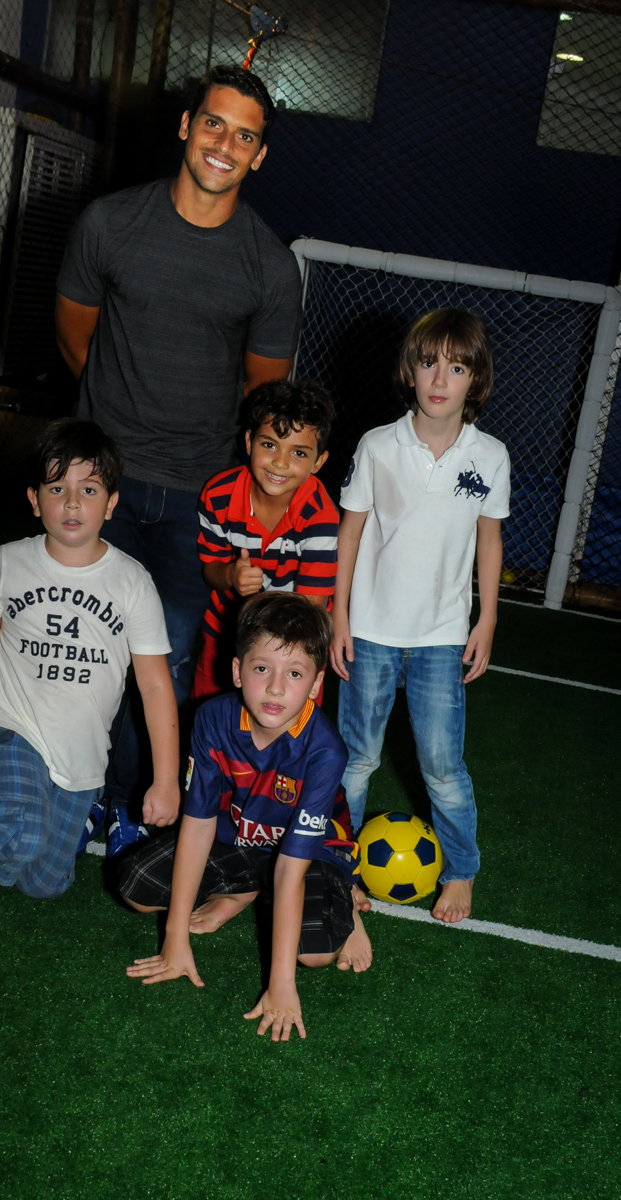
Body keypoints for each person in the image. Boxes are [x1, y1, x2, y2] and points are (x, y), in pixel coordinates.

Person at [55, 64, 303, 851]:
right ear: (186, 125)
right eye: (214, 124)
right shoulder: (109, 223)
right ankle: (69, 790)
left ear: (259, 156)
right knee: (78, 644)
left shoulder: (267, 264)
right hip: (106, 487)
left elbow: (263, 397)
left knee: (160, 652)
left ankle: (128, 801)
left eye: (245, 135)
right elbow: (75, 338)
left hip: (200, 500)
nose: (225, 144)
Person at [0, 419, 179, 916]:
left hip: (81, 756)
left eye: (88, 490)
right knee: (18, 827)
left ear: (110, 504)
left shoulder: (132, 582)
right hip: (10, 724)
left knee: (43, 882)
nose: (71, 502)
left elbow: (154, 688)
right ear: (33, 499)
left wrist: (166, 779)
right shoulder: (10, 561)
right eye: (56, 488)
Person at [120, 593, 373, 1044]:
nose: (275, 687)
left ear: (315, 686)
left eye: (294, 674)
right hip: (240, 839)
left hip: (307, 855)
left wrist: (281, 986)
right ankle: (246, 891)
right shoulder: (212, 719)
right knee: (136, 887)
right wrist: (175, 939)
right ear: (237, 671)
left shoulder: (324, 749)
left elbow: (292, 870)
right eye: (262, 669)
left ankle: (347, 899)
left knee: (313, 954)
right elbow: (197, 826)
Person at [330, 308, 511, 932]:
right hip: (373, 631)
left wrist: (485, 620)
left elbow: (490, 541)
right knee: (356, 758)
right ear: (411, 370)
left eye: (456, 366)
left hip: (441, 636)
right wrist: (340, 614)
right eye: (429, 362)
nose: (440, 378)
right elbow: (349, 533)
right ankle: (339, 868)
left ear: (475, 379)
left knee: (442, 764)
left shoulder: (489, 456)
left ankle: (460, 868)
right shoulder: (378, 444)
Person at [193, 379, 338, 701]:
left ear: (318, 462)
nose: (280, 462)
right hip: (225, 635)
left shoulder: (320, 515)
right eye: (269, 444)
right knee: (212, 721)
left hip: (293, 644)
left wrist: (271, 661)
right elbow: (210, 569)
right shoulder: (218, 494)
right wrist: (230, 575)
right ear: (249, 441)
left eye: (298, 452)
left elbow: (312, 607)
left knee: (291, 737)